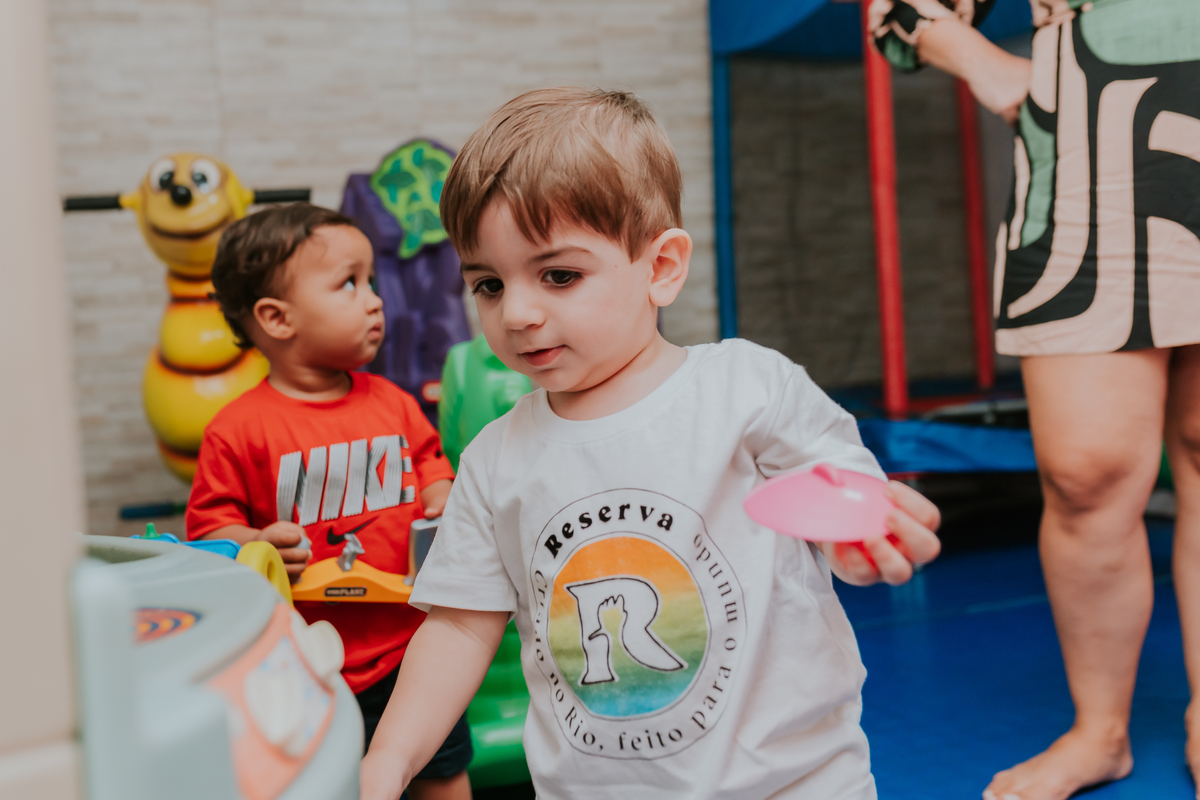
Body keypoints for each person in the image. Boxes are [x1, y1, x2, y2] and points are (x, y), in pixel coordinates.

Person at [358, 87, 943, 800]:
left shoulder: (745, 390)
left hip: (794, 782)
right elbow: (457, 629)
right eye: (487, 283)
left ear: (661, 267)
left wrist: (864, 534)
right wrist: (390, 757)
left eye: (559, 275)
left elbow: (841, 497)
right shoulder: (493, 459)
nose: (516, 312)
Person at [869, 2, 1200, 799]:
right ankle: (1100, 732)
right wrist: (975, 57)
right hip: (1087, 170)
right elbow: (897, 15)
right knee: (1087, 476)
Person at [185, 203, 473, 800]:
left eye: (371, 282)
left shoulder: (392, 401)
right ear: (277, 318)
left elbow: (428, 462)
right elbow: (210, 532)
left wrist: (441, 493)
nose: (375, 300)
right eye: (349, 283)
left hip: (411, 651)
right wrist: (256, 543)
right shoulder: (237, 430)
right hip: (306, 661)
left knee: (440, 774)